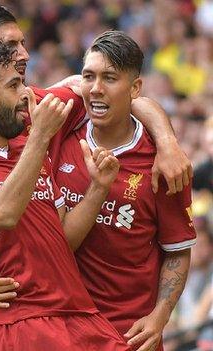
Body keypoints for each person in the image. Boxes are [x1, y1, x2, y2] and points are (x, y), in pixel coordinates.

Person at [0, 3, 192, 350]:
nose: (24, 57)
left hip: (75, 314)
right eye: (10, 49)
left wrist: (164, 142)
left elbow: (110, 92)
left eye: (23, 44)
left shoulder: (28, 125)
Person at [0, 33, 127, 350]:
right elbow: (1, 213)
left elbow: (62, 238)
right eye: (13, 86)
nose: (26, 94)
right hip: (25, 324)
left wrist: (98, 189)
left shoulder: (30, 152)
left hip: (80, 313)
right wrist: (40, 137)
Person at [54, 31, 195, 351]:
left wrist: (160, 316)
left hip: (127, 333)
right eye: (89, 76)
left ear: (134, 88)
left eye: (110, 78)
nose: (96, 88)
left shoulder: (165, 164)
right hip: (62, 326)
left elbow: (177, 249)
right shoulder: (61, 132)